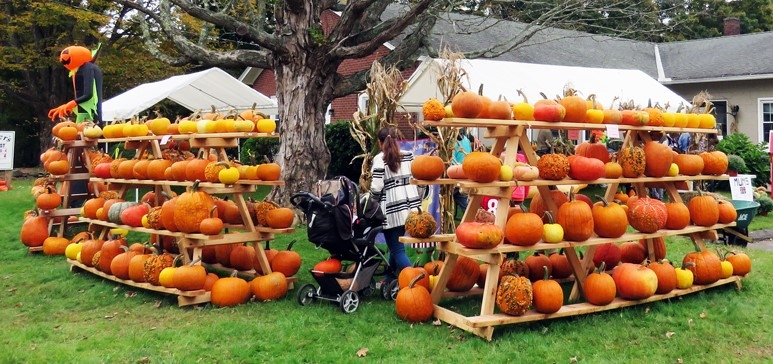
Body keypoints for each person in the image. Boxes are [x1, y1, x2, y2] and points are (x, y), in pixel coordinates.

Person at [370, 127, 422, 285]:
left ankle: (417, 284)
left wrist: (372, 203)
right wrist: (417, 199)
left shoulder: (380, 159)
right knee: (396, 245)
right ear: (397, 140)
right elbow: (419, 181)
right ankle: (390, 278)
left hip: (392, 211)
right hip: (411, 209)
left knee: (397, 249)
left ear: (380, 142)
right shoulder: (409, 156)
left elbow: (376, 187)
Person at [48, 44, 104, 126]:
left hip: (90, 114)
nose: (62, 59)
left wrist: (71, 104)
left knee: (87, 130)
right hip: (83, 113)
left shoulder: (88, 68)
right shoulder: (78, 70)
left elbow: (88, 94)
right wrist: (68, 106)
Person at [453, 129, 472, 214]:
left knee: (465, 203)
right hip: (460, 174)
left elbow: (469, 156)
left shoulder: (465, 140)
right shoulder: (453, 142)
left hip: (459, 175)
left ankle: (469, 219)